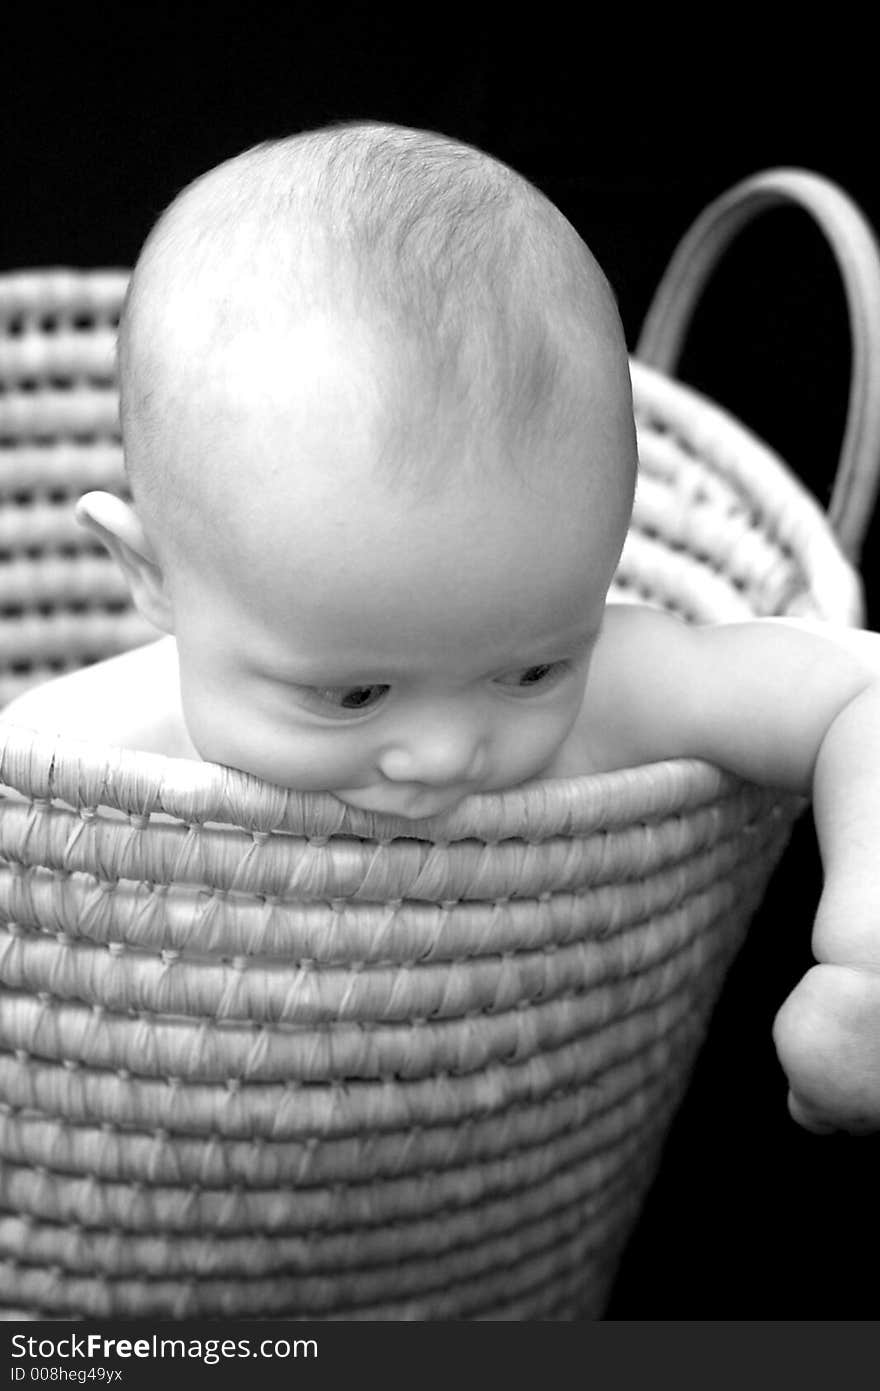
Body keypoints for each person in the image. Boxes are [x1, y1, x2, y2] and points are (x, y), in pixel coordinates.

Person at [2, 121, 880, 1136]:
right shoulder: (64, 759)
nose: (447, 749)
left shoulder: (625, 686)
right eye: (353, 693)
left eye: (533, 668)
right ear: (150, 577)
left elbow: (857, 691)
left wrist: (861, 953)